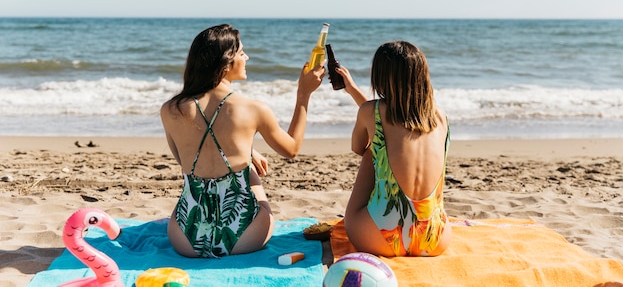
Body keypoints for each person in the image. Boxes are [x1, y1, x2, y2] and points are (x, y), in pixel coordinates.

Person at [160, 24, 324, 258]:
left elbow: (185, 160)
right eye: (241, 53)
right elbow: (292, 149)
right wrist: (303, 94)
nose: (247, 57)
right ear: (226, 63)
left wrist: (248, 150)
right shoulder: (253, 109)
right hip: (245, 235)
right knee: (249, 176)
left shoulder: (170, 110)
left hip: (185, 237)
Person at [336, 40, 452, 257]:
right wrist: (352, 90)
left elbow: (358, 146)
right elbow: (390, 119)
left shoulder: (370, 112)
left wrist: (354, 94)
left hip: (381, 237)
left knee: (372, 151)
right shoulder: (441, 117)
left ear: (380, 77)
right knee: (380, 146)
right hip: (434, 238)